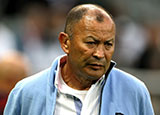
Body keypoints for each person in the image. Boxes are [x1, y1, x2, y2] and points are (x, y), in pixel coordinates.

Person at [4, 4, 154, 115]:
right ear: (65, 42)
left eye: (108, 44)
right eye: (91, 43)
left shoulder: (134, 92)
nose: (100, 54)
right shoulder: (26, 93)